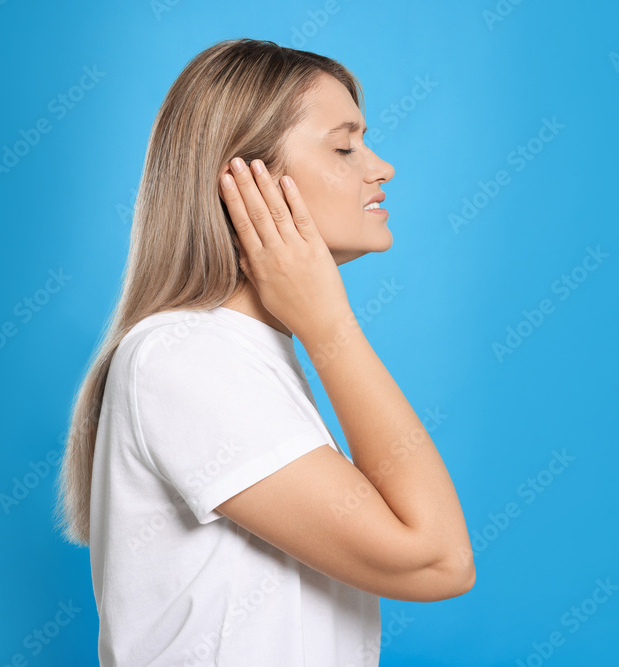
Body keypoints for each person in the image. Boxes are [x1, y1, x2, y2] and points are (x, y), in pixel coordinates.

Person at [52, 38, 474, 666]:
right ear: (243, 179)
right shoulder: (185, 356)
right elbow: (435, 560)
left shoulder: (245, 353)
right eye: (344, 145)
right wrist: (330, 323)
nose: (380, 167)